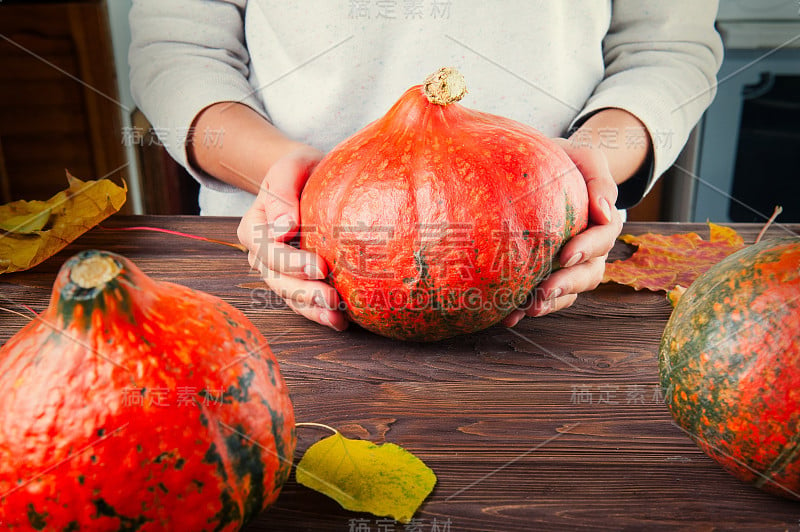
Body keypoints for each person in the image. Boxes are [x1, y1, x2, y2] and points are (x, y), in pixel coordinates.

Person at [129, 1, 723, 331]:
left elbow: (664, 49)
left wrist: (590, 165)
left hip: (555, 267)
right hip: (286, 256)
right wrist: (280, 173)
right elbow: (182, 49)